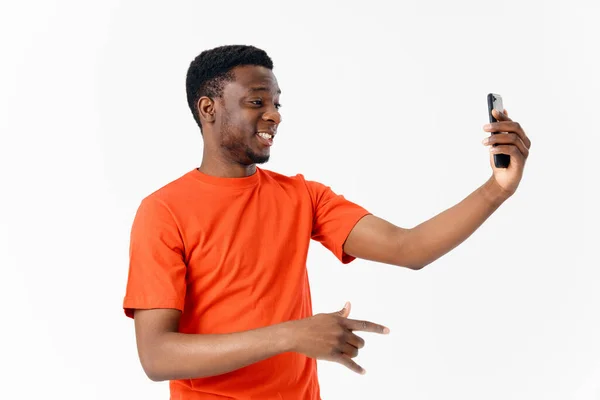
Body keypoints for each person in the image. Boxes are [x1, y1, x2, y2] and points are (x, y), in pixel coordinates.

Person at [122, 44, 531, 399]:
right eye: (256, 102)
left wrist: (498, 188)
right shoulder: (163, 211)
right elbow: (157, 356)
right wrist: (291, 335)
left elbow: (410, 248)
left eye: (277, 104)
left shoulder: (302, 196)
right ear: (208, 108)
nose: (274, 116)